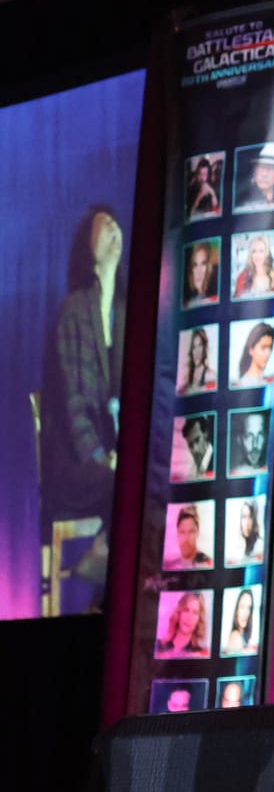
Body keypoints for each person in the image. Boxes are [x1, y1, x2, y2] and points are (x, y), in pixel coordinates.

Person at [39, 206, 125, 595]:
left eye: (114, 221)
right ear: (87, 249)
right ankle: (105, 555)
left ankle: (105, 583)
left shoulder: (125, 315)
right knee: (123, 486)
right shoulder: (73, 311)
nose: (113, 226)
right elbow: (73, 402)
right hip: (75, 464)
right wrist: (100, 456)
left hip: (113, 461)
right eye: (101, 224)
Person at [157, 591, 210, 658]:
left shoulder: (202, 653)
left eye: (195, 613)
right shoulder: (159, 645)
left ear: (199, 620)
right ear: (178, 612)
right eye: (186, 610)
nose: (189, 617)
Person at [238, 143, 274, 210]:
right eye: (262, 166)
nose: (264, 173)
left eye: (271, 168)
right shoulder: (241, 200)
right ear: (255, 171)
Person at [233, 233, 274, 299]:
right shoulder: (242, 277)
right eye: (254, 251)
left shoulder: (273, 274)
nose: (257, 255)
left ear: (266, 253)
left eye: (261, 251)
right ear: (250, 254)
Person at [232, 321, 274, 388]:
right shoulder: (241, 384)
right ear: (251, 350)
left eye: (270, 347)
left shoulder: (272, 380)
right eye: (263, 347)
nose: (268, 353)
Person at [179, 327, 216, 394]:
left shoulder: (210, 376)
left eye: (200, 345)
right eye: (194, 347)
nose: (197, 352)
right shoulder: (185, 379)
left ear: (204, 347)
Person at [231, 410, 270, 475]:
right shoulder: (234, 474)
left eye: (260, 435)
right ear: (240, 440)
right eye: (249, 436)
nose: (255, 445)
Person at [184, 241, 219, 306]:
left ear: (209, 267)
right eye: (195, 265)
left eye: (203, 264)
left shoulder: (215, 299)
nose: (199, 271)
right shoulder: (188, 304)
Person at [223, 588, 258, 655]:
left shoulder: (243, 636)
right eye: (242, 607)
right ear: (237, 610)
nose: (246, 613)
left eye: (249, 608)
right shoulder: (235, 636)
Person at [186, 155, 221, 220]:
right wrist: (199, 196)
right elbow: (189, 214)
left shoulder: (212, 186)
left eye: (204, 174)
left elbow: (217, 210)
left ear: (208, 175)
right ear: (196, 174)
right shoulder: (192, 188)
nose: (202, 178)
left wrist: (212, 192)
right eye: (199, 174)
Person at [180, 415, 215, 479]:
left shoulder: (218, 461)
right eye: (190, 445)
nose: (194, 449)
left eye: (197, 440)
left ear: (205, 434)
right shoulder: (191, 471)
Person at [234, 500, 263, 565]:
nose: (247, 523)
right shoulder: (240, 544)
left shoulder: (259, 546)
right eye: (244, 517)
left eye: (250, 517)